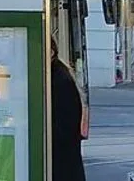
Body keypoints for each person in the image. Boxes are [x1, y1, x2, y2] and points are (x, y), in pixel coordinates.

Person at [50, 38, 87, 181]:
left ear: (51, 53)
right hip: (66, 160)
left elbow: (61, 126)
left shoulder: (57, 79)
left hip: (60, 160)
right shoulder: (60, 73)